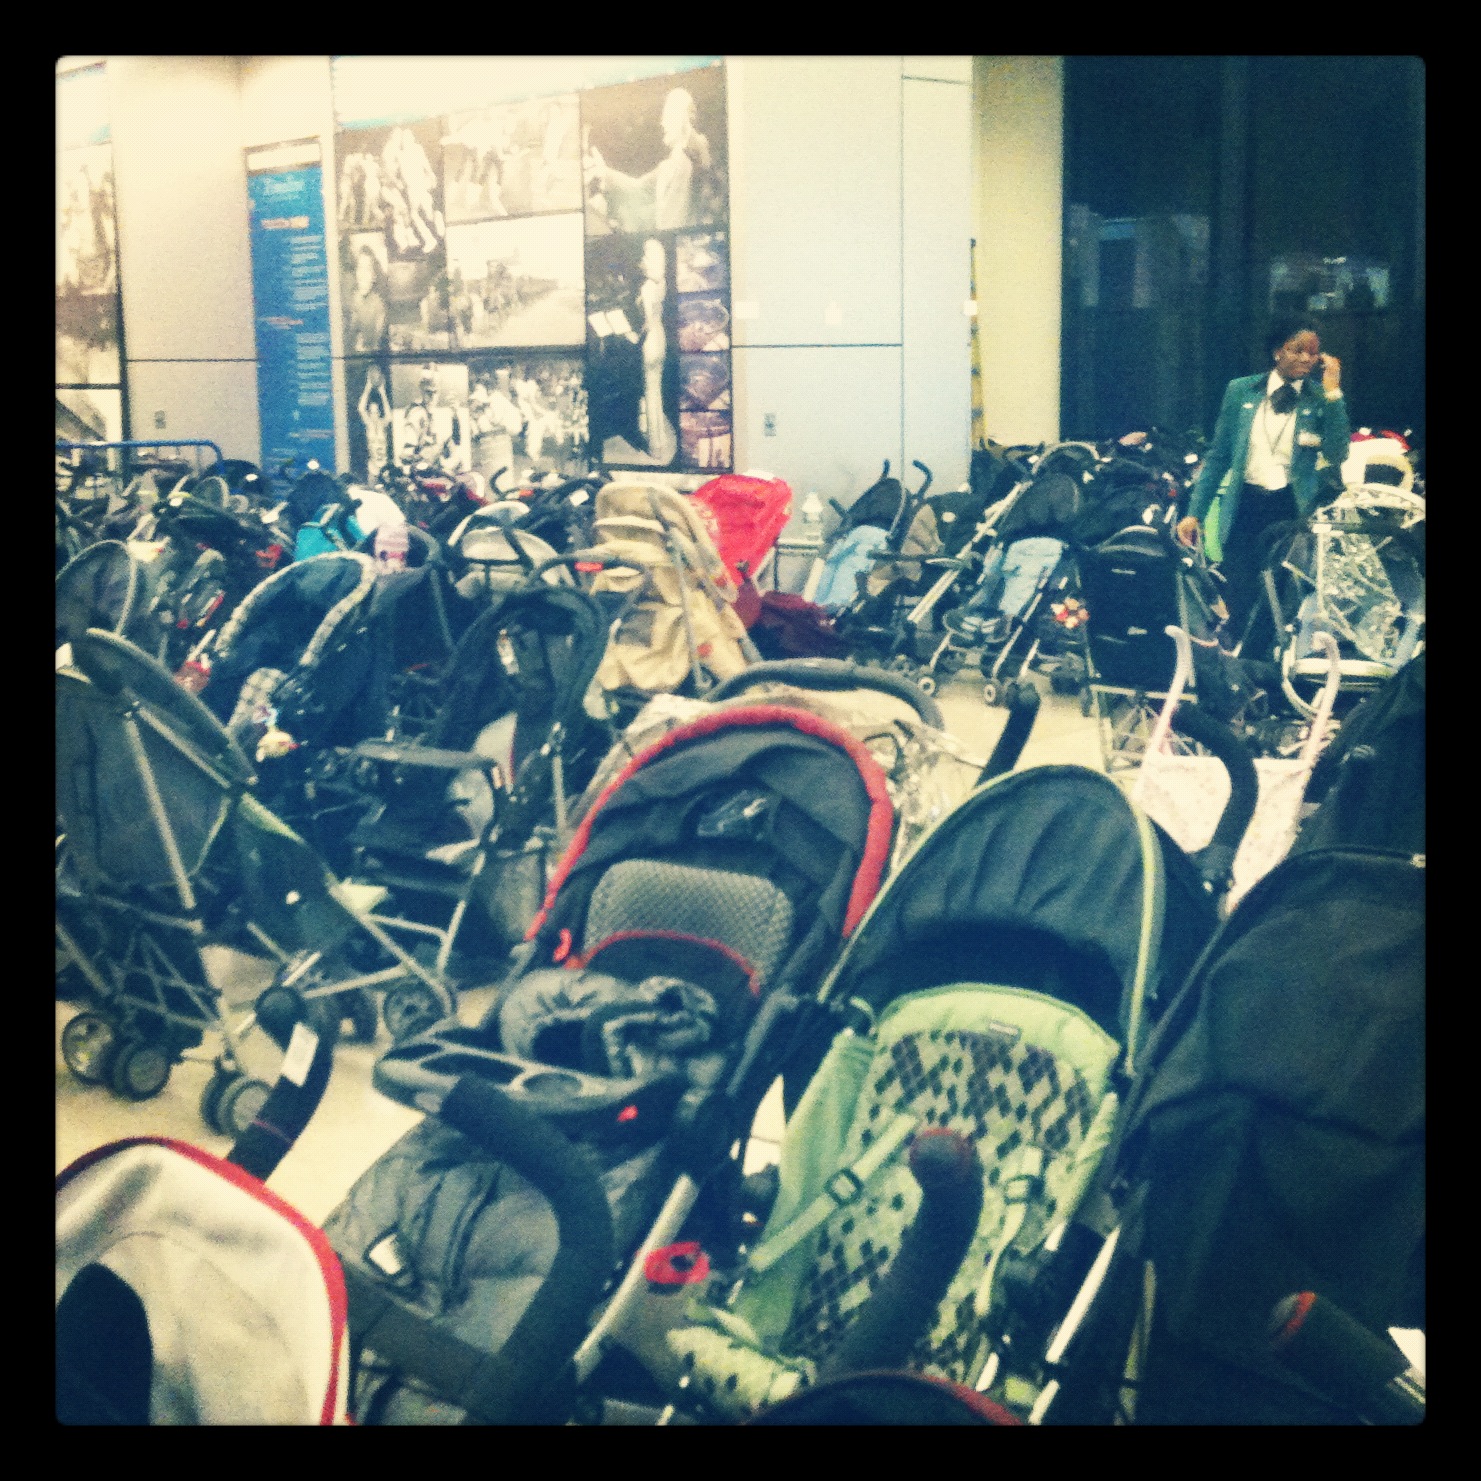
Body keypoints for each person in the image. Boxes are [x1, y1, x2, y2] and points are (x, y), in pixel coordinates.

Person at [1177, 319, 1349, 645]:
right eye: (1297, 350)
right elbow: (1219, 456)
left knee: (1283, 599)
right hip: (1245, 504)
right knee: (1240, 592)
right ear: (1277, 352)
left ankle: (1273, 664)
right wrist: (1194, 512)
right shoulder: (1240, 391)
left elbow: (1337, 453)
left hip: (1292, 508)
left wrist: (1333, 394)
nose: (1306, 358)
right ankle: (1241, 664)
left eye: (1313, 353)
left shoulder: (1318, 398)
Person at [585, 88, 718, 232]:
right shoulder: (669, 166)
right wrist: (604, 172)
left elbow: (673, 225)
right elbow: (638, 187)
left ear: (683, 118)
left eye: (668, 116)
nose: (662, 123)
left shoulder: (687, 163)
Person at [346, 246, 388, 354]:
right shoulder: (347, 301)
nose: (363, 275)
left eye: (368, 269)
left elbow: (376, 346)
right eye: (360, 268)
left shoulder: (378, 306)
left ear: (374, 276)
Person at [356, 362, 391, 480]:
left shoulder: (382, 423)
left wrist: (382, 393)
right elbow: (361, 408)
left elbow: (389, 415)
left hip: (384, 463)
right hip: (373, 464)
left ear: (379, 413)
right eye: (371, 412)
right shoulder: (369, 424)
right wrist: (368, 387)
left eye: (375, 412)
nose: (373, 414)